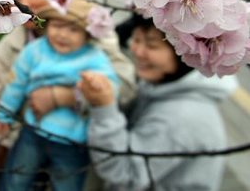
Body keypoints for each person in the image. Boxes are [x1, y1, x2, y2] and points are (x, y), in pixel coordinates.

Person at [0, 0, 136, 168]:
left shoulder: (91, 25)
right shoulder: (10, 47)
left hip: (82, 148)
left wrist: (66, 96)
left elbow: (125, 87)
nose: (22, 4)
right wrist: (12, 142)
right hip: (27, 145)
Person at [79, 15, 237, 191]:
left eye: (151, 45)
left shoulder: (180, 118)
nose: (137, 50)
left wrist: (104, 109)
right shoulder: (161, 85)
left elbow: (126, 174)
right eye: (136, 39)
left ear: (186, 55)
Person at [0, 0, 120, 191]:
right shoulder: (35, 51)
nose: (63, 34)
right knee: (16, 178)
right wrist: (4, 113)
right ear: (46, 25)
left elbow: (112, 87)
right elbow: (16, 83)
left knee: (67, 184)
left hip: (71, 139)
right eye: (57, 26)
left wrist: (97, 85)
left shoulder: (94, 58)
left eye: (73, 29)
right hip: (33, 130)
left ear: (87, 35)